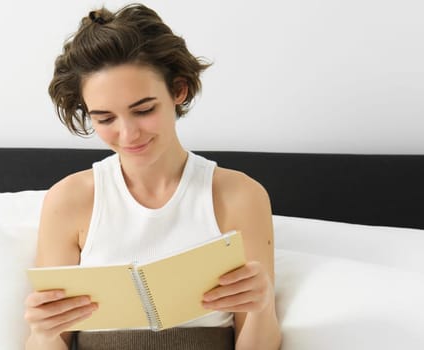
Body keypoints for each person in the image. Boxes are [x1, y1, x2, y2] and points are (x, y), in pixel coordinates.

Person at [24, 4, 281, 349]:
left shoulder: (238, 196)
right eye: (104, 119)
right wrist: (43, 333)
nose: (128, 135)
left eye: (143, 110)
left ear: (179, 90)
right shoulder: (70, 200)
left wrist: (262, 309)